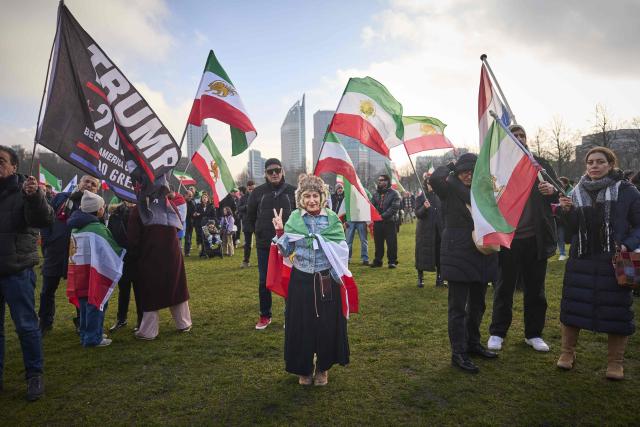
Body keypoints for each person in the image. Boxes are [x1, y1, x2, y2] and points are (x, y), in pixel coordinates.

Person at [556, 147, 640, 380]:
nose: (594, 166)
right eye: (590, 162)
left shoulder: (627, 191)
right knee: (573, 306)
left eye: (600, 162)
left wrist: (626, 244)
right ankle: (567, 353)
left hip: (614, 260)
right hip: (581, 259)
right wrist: (566, 212)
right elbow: (571, 231)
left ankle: (615, 362)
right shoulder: (576, 191)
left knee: (617, 311)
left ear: (611, 164)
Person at [272, 174, 355, 386]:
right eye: (307, 196)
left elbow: (341, 250)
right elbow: (286, 251)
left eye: (315, 195)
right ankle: (304, 368)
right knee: (302, 326)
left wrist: (338, 280)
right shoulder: (294, 219)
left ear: (322, 197)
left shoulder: (332, 220)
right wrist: (280, 230)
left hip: (326, 279)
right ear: (301, 198)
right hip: (301, 280)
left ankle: (323, 368)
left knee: (325, 326)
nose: (311, 200)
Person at [487, 124, 559, 353]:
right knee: (504, 288)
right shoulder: (498, 167)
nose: (519, 139)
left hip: (535, 238)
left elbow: (558, 191)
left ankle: (534, 334)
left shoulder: (539, 163)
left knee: (536, 289)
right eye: (513, 136)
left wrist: (552, 190)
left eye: (522, 136)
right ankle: (497, 332)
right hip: (509, 239)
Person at [431, 153, 499, 373]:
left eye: (472, 170)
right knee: (458, 307)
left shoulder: (483, 193)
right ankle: (458, 352)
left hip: (481, 253)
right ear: (457, 173)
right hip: (457, 253)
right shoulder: (449, 189)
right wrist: (452, 166)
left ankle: (473, 343)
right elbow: (435, 178)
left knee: (478, 304)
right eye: (464, 171)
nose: (468, 174)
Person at [0, 146, 53, 401]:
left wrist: (34, 197)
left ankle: (34, 376)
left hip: (17, 271)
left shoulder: (26, 191)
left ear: (13, 167)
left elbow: (43, 219)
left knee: (26, 326)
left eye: (1, 161)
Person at [127, 178, 192, 340]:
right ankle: (183, 322)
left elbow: (133, 237)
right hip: (171, 254)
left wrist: (134, 254)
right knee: (176, 287)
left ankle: (149, 331)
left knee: (150, 291)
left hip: (150, 256)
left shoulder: (140, 208)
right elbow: (179, 226)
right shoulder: (169, 206)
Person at [39, 174, 100, 334]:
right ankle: (45, 322)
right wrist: (48, 241)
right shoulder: (61, 198)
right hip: (55, 251)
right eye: (86, 181)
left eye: (93, 184)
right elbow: (46, 220)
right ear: (80, 183)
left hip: (79, 255)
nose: (88, 185)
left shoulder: (97, 205)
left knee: (80, 290)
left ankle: (81, 322)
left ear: (97, 190)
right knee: (47, 289)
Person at [66, 192, 121, 348]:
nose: (104, 208)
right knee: (96, 303)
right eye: (102, 206)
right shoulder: (97, 228)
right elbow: (110, 248)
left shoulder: (76, 226)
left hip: (79, 274)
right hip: (94, 274)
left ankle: (87, 332)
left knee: (84, 306)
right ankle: (93, 338)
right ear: (98, 211)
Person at [247, 158, 295, 330]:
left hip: (289, 245)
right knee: (263, 281)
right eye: (270, 171)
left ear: (282, 171)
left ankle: (290, 315)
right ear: (265, 174)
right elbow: (250, 216)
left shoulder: (292, 191)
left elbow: (300, 217)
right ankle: (265, 315)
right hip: (265, 245)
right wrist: (258, 232)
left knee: (289, 279)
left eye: (277, 170)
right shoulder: (258, 192)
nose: (274, 174)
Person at [107, 199, 142, 332]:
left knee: (139, 291)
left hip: (138, 258)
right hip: (122, 259)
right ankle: (121, 319)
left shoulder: (142, 212)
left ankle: (141, 319)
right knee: (123, 291)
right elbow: (111, 236)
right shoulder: (115, 215)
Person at [414, 177, 444, 288]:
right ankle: (420, 278)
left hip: (438, 231)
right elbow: (418, 213)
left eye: (433, 183)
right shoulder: (421, 197)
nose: (431, 185)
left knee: (439, 255)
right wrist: (424, 208)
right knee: (422, 255)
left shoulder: (441, 196)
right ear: (425, 184)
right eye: (429, 183)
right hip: (425, 232)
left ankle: (440, 278)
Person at [370, 175, 401, 268]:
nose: (379, 181)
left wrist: (381, 216)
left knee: (391, 243)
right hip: (378, 223)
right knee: (378, 243)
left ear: (387, 181)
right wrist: (376, 216)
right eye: (378, 180)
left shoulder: (394, 193)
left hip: (390, 222)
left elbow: (394, 208)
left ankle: (392, 261)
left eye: (381, 180)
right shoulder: (375, 194)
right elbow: (372, 206)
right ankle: (378, 260)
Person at [238, 181, 255, 268]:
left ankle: (263, 261)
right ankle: (246, 261)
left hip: (257, 222)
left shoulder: (259, 196)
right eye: (250, 189)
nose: (251, 190)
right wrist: (246, 207)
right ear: (247, 188)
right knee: (247, 244)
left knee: (260, 244)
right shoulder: (243, 198)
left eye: (253, 188)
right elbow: (239, 208)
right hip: (247, 223)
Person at [555, 177, 573, 261]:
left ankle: (573, 252)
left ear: (566, 184)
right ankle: (562, 253)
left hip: (571, 217)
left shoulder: (572, 191)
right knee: (560, 235)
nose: (559, 185)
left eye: (561, 183)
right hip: (560, 217)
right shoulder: (556, 191)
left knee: (573, 236)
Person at [193, 193, 216, 257]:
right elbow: (195, 214)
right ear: (201, 199)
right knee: (201, 238)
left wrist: (200, 215)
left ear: (208, 199)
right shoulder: (198, 206)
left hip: (207, 225)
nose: (204, 198)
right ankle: (203, 252)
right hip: (199, 224)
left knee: (207, 238)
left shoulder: (211, 206)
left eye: (205, 197)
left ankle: (207, 252)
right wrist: (195, 215)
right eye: (203, 197)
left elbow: (213, 216)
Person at [183, 190, 196, 257]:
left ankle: (187, 251)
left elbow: (194, 212)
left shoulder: (193, 203)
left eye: (191, 195)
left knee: (189, 237)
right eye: (189, 195)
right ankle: (185, 251)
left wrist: (195, 214)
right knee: (184, 237)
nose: (190, 196)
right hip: (183, 222)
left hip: (190, 222)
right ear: (185, 195)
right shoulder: (182, 202)